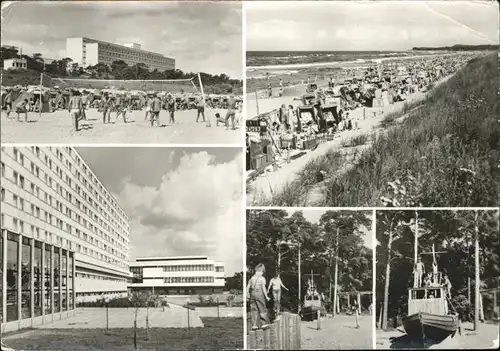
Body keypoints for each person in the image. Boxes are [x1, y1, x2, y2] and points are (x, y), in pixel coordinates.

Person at [247, 263, 270, 331]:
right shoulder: (262, 278)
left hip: (252, 294)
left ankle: (254, 325)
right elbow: (263, 288)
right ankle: (264, 324)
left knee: (254, 309)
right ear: (261, 270)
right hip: (259, 293)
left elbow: (248, 286)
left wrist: (247, 294)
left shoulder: (252, 278)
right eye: (263, 271)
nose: (263, 273)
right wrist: (266, 296)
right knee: (262, 308)